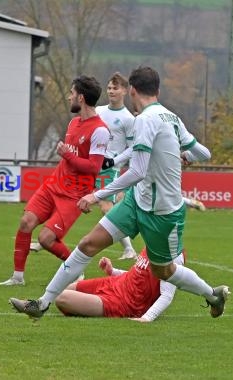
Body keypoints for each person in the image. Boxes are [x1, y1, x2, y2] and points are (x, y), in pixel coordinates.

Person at [10, 66, 229, 320]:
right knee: (87, 244)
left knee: (164, 271)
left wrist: (97, 195)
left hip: (163, 212)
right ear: (157, 90)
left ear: (132, 91)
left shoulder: (145, 119)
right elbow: (204, 153)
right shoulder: (172, 117)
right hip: (138, 201)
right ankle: (42, 303)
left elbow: (137, 170)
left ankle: (213, 295)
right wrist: (186, 155)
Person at [0, 75, 109, 286]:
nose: (69, 97)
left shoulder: (100, 130)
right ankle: (17, 277)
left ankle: (74, 270)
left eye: (72, 93)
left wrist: (67, 155)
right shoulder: (74, 122)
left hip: (74, 195)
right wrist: (68, 156)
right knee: (25, 222)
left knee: (45, 239)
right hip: (53, 185)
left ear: (81, 98)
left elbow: (93, 167)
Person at [55, 247, 184, 322]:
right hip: (116, 283)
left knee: (62, 298)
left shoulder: (173, 253)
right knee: (63, 289)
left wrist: (147, 317)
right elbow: (138, 275)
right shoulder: (153, 239)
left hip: (125, 302)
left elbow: (167, 294)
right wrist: (113, 271)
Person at [95, 72, 137, 260]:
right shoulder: (98, 111)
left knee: (106, 207)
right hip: (91, 165)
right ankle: (46, 238)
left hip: (108, 169)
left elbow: (132, 148)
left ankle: (129, 248)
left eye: (115, 88)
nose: (111, 91)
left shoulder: (128, 119)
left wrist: (113, 161)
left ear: (125, 91)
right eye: (109, 87)